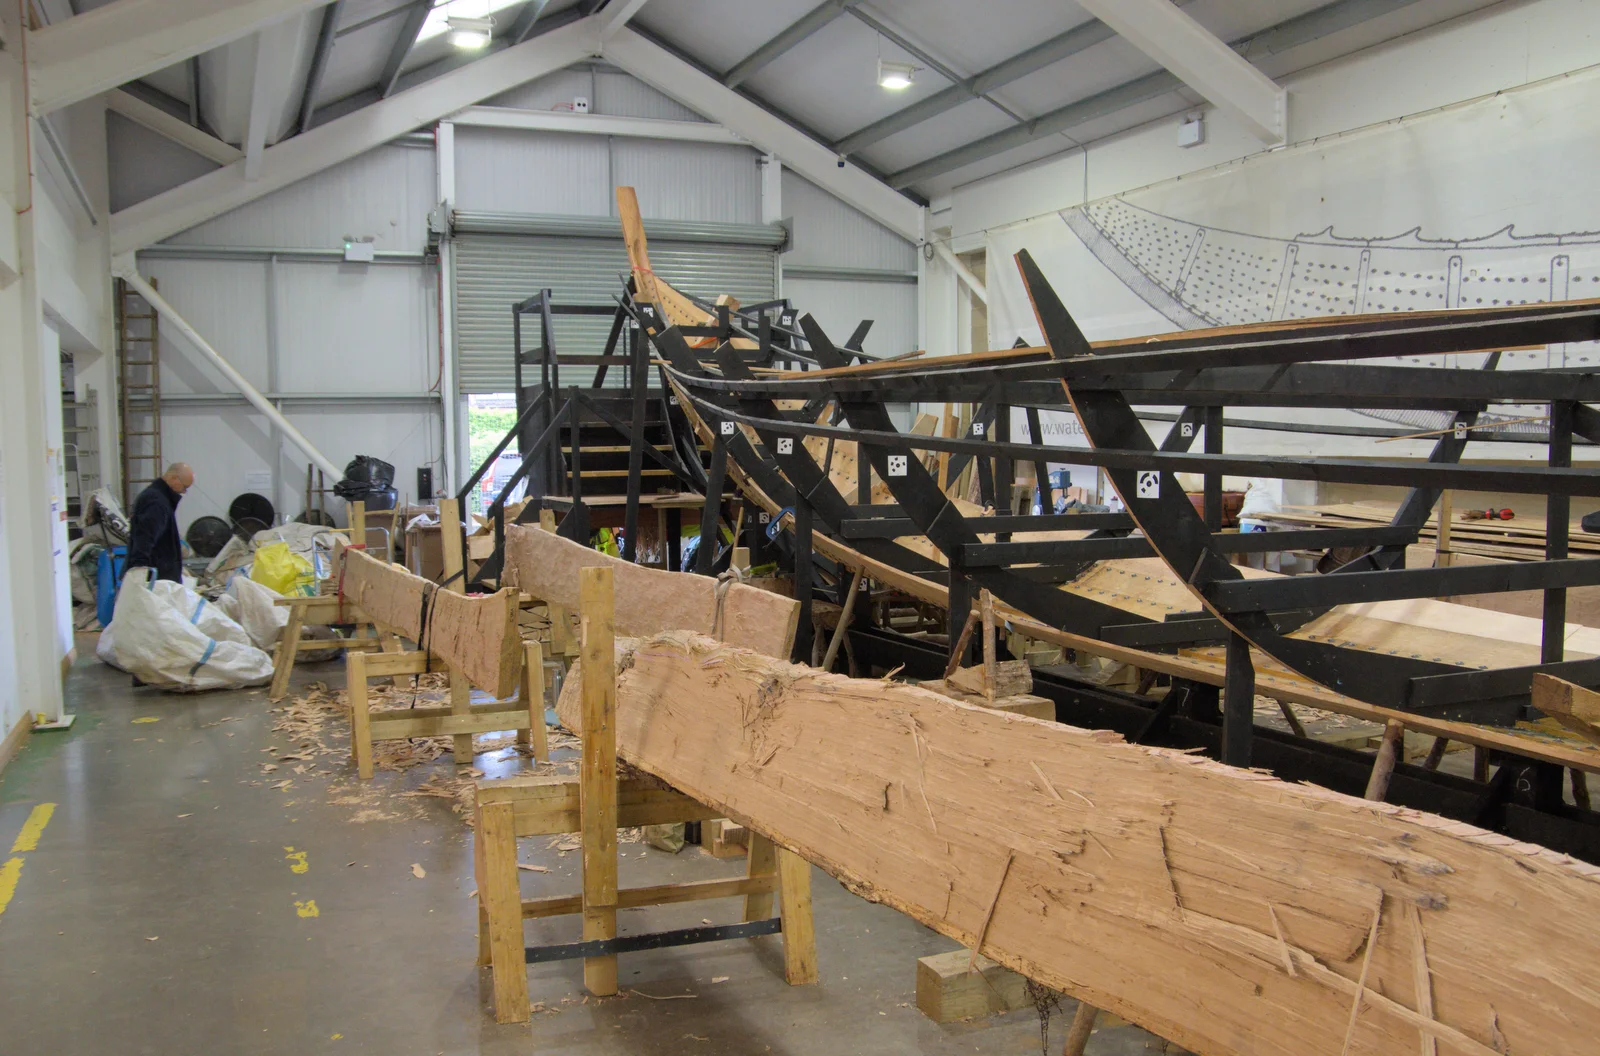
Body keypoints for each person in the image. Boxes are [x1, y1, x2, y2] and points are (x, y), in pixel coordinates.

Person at [127, 462, 194, 583]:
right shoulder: (156, 502)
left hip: (159, 577)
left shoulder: (159, 498)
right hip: (157, 579)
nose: (184, 492)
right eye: (184, 487)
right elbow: (145, 538)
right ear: (174, 478)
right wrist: (140, 572)